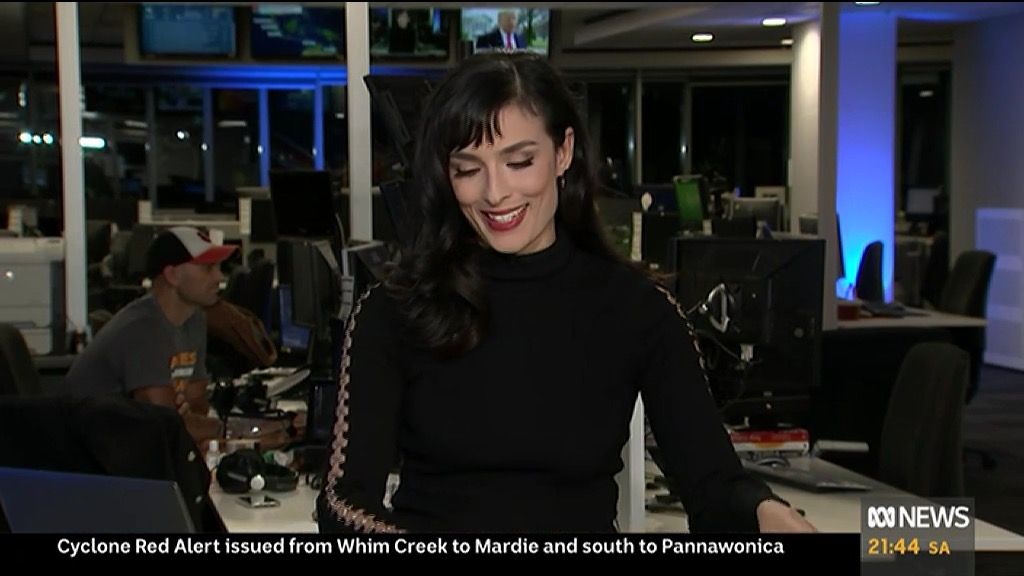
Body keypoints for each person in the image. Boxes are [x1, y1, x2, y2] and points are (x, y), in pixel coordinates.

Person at [317, 53, 815, 534]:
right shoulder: (391, 311)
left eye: (519, 161)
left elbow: (713, 484)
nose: (495, 193)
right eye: (468, 169)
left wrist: (762, 511)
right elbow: (343, 505)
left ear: (563, 152)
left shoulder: (637, 309)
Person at [66, 226, 235, 445]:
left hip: (128, 447)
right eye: (208, 268)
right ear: (172, 275)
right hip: (89, 450)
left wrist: (197, 422)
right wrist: (228, 430)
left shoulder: (195, 319)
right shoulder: (142, 328)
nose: (219, 277)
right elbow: (162, 425)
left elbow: (197, 405)